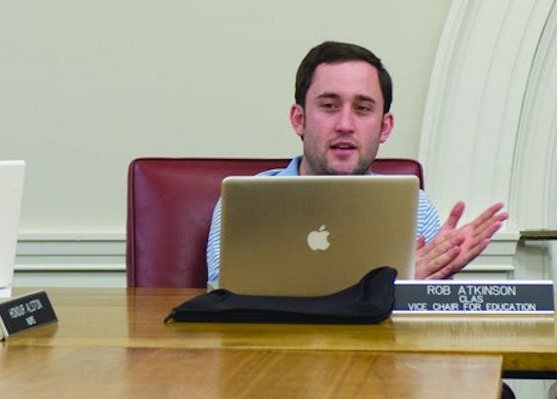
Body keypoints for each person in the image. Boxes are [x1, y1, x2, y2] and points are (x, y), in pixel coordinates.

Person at [206, 41, 508, 284]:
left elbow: (423, 318)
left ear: (385, 127)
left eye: (363, 109)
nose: (345, 125)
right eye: (329, 106)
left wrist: (438, 274)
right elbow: (224, 299)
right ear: (299, 119)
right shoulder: (245, 202)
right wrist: (390, 285)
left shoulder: (415, 208)